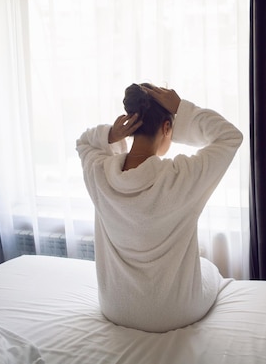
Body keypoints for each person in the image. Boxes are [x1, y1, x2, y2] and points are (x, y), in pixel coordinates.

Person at [76, 83, 243, 332]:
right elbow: (229, 136)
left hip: (115, 307)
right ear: (167, 127)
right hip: (177, 311)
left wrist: (112, 134)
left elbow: (84, 143)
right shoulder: (179, 177)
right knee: (208, 267)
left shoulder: (99, 173)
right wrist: (182, 108)